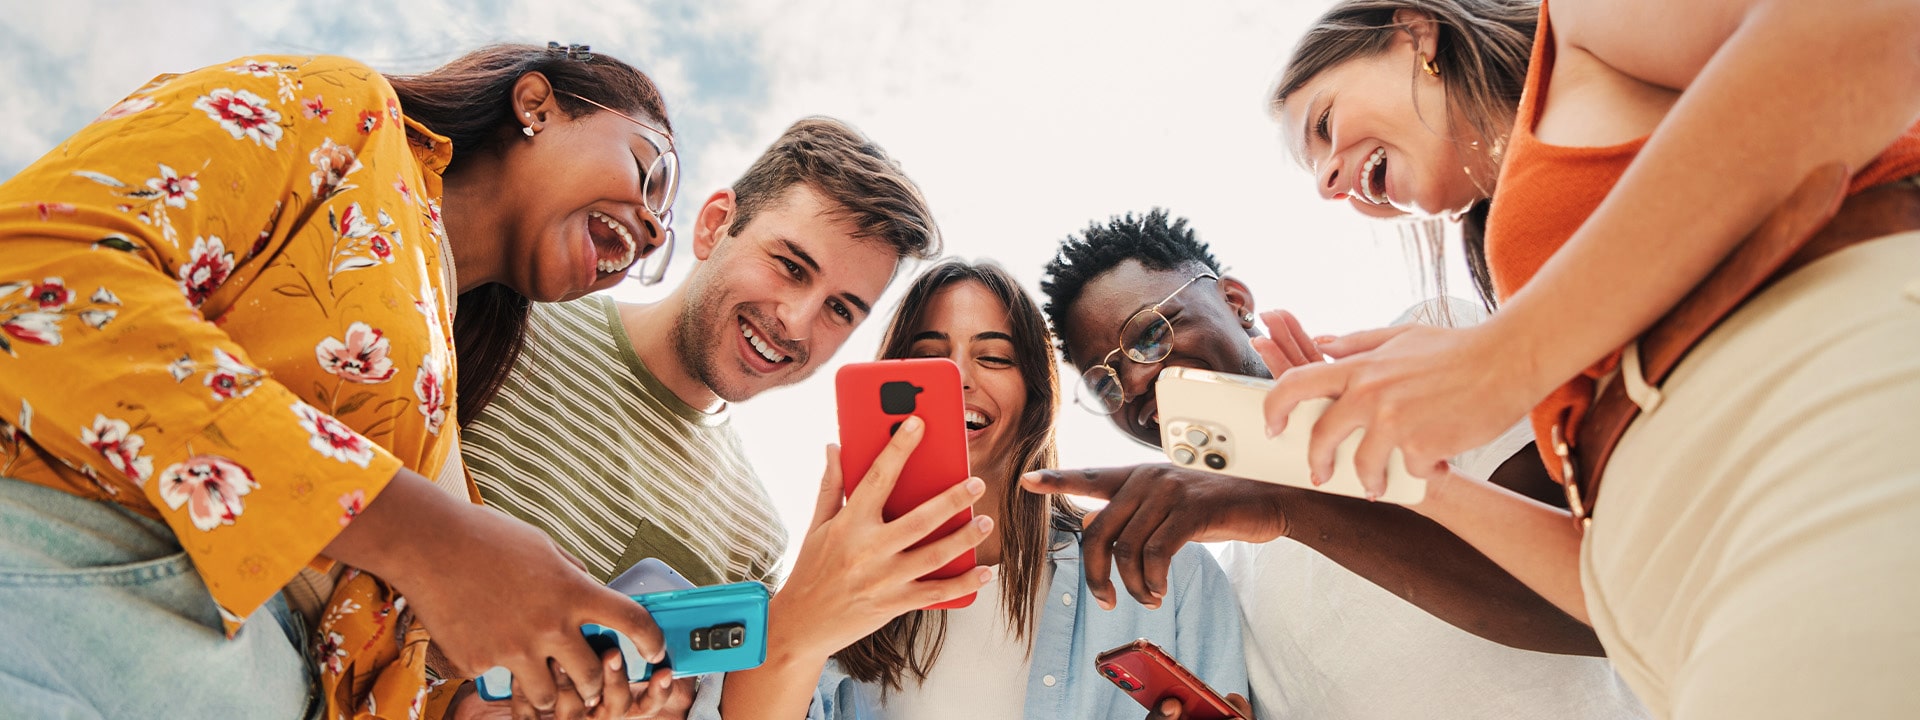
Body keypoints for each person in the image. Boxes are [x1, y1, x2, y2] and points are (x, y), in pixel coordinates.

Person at [1266, 0, 1920, 717]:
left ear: (1416, 32)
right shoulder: (1530, 296)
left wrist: (1502, 359)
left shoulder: (1578, 21)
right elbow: (1597, 576)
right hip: (1689, 626)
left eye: (1324, 125)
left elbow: (1869, 25)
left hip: (1826, 442)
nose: (1329, 180)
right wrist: (1404, 474)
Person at [0, 43, 686, 720]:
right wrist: (428, 539)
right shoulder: (344, 107)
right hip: (67, 601)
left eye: (664, 239)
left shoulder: (434, 396)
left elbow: (354, 649)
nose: (656, 229)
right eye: (652, 174)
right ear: (536, 104)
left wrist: (489, 709)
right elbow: (39, 276)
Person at [1030, 210, 1644, 719]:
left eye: (1149, 336)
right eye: (1105, 383)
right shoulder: (1231, 583)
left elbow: (1606, 610)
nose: (1135, 382)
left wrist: (1289, 501)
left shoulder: (1426, 350)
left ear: (1235, 301)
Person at [457, 116, 941, 714]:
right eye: (791, 266)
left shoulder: (753, 539)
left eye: (840, 310)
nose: (796, 320)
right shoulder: (514, 321)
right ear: (715, 226)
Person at [696, 259, 1247, 720]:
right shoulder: (840, 583)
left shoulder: (1169, 570)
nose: (958, 376)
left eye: (993, 357)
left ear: (1034, 395)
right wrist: (799, 622)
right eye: (928, 354)